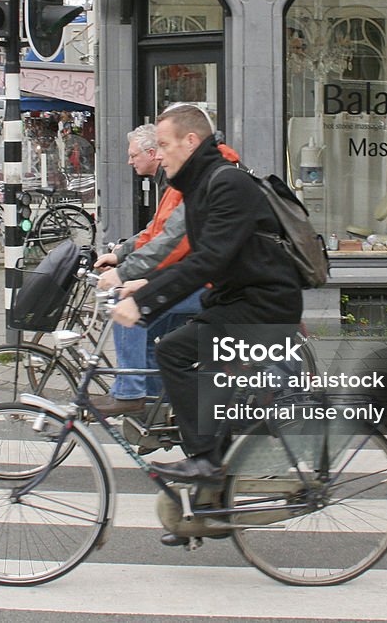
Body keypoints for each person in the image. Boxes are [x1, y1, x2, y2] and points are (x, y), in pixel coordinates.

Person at [111, 104, 303, 483]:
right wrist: (143, 284)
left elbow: (209, 261)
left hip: (264, 305)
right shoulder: (199, 186)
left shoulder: (226, 183)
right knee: (209, 388)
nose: (159, 153)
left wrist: (144, 299)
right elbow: (192, 256)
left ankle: (205, 461)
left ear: (191, 140)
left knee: (173, 351)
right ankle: (214, 495)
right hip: (238, 300)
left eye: (164, 144)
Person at [91, 123, 202, 415]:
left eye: (163, 147)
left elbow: (169, 241)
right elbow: (157, 232)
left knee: (126, 304)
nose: (159, 156)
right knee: (150, 338)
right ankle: (157, 411)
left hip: (208, 282)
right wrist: (125, 256)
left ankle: (130, 392)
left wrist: (129, 274)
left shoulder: (194, 184)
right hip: (192, 275)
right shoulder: (176, 182)